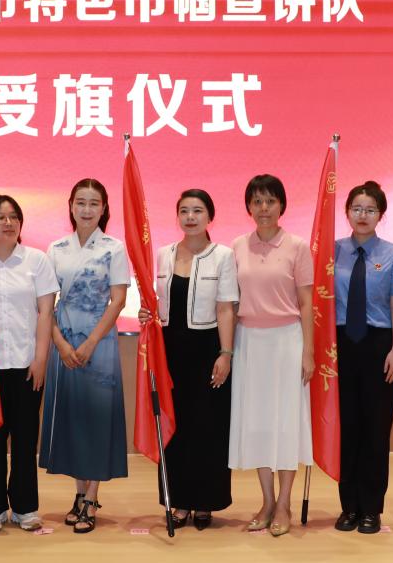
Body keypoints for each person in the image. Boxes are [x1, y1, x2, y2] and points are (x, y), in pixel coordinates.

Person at [139, 189, 238, 530]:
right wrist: (146, 314)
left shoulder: (222, 255)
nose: (191, 217)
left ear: (210, 216)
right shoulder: (163, 254)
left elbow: (226, 309)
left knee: (208, 427)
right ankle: (178, 501)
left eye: (198, 211)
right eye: (184, 211)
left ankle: (206, 501)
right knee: (174, 427)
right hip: (169, 351)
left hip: (208, 350)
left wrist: (226, 353)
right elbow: (156, 305)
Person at [40, 178, 130, 534]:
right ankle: (79, 493)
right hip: (63, 340)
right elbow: (46, 302)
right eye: (81, 202)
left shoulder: (114, 248)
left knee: (96, 419)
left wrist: (91, 342)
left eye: (94, 203)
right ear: (71, 206)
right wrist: (60, 344)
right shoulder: (56, 248)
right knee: (73, 419)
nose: (87, 209)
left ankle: (92, 497)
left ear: (104, 208)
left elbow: (118, 300)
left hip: (99, 343)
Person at [228, 174, 314, 538]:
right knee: (258, 424)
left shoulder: (297, 246)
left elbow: (307, 303)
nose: (264, 208)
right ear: (248, 206)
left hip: (287, 342)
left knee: (286, 423)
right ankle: (266, 501)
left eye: (270, 201)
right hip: (249, 342)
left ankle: (284, 503)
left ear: (282, 206)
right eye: (257, 201)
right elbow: (230, 303)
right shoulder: (237, 247)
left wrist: (308, 351)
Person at [0, 194, 58, 533]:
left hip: (26, 364)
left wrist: (41, 358)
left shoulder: (36, 260)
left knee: (24, 439)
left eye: (13, 217)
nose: (8, 223)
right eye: (0, 217)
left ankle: (25, 507)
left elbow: (45, 313)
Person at [332, 180, 393, 534]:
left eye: (370, 210)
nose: (362, 215)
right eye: (356, 209)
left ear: (381, 215)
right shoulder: (332, 251)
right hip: (341, 346)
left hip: (380, 347)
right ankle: (348, 506)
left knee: (376, 431)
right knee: (347, 429)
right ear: (347, 212)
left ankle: (371, 509)